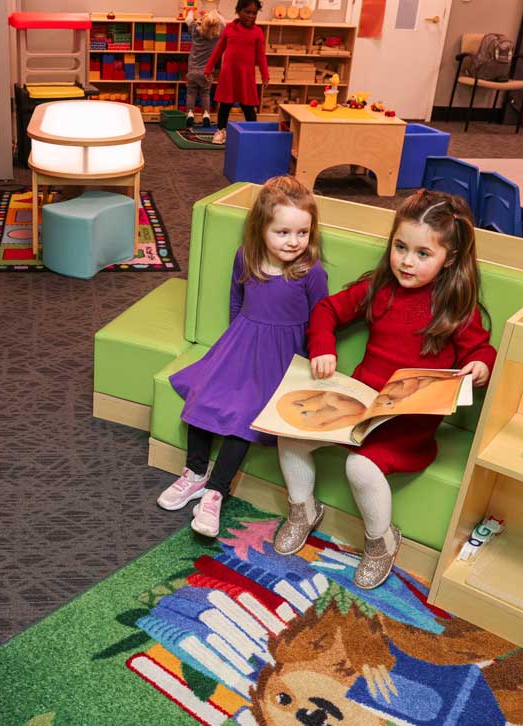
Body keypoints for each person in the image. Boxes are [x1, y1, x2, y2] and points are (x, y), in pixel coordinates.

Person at [274, 190, 495, 590]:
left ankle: (381, 542)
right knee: (289, 435)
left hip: (408, 422)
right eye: (400, 247)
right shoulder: (380, 287)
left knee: (359, 467)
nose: (407, 261)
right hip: (359, 405)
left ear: (450, 259)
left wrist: (480, 366)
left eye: (423, 254)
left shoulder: (455, 305)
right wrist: (323, 346)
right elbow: (327, 310)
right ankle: (302, 509)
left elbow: (481, 350)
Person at [159, 176, 329, 536]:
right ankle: (195, 472)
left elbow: (322, 318)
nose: (293, 241)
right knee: (203, 393)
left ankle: (216, 491)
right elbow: (237, 300)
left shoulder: (310, 272)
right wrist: (232, 341)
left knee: (246, 416)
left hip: (280, 359)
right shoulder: (246, 257)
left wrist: (315, 362)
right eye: (282, 232)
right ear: (261, 228)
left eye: (302, 233)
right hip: (239, 345)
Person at [205, 0, 269, 145]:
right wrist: (209, 67)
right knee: (225, 105)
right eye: (248, 12)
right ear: (239, 11)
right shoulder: (229, 28)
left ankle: (253, 134)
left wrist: (265, 75)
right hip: (229, 75)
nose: (251, 16)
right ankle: (221, 131)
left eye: (254, 13)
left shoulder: (258, 33)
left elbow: (261, 56)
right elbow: (219, 50)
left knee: (248, 106)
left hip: (246, 77)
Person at [186, 9, 224, 129]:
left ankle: (189, 114)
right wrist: (215, 12)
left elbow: (188, 19)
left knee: (191, 93)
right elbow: (223, 22)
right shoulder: (217, 35)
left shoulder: (195, 32)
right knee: (205, 93)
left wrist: (191, 12)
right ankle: (206, 115)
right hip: (207, 72)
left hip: (192, 70)